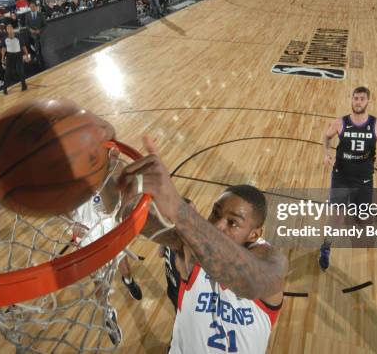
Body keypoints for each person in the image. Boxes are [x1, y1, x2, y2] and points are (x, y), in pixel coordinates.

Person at [116, 138, 287, 353]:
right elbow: (134, 213)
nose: (217, 225)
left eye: (232, 222)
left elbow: (250, 282)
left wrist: (178, 208)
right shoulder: (191, 247)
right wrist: (107, 177)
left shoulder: (272, 262)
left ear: (255, 234)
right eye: (215, 213)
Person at [319, 86, 377, 270]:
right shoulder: (340, 122)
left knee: (362, 217)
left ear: (368, 101)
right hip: (341, 177)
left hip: (364, 179)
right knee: (336, 217)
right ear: (352, 100)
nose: (358, 102)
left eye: (362, 99)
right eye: (355, 98)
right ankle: (326, 248)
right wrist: (326, 153)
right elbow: (326, 137)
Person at [70, 189, 143, 345]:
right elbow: (64, 216)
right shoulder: (67, 191)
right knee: (99, 282)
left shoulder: (99, 175)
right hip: (88, 238)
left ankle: (128, 281)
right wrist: (74, 226)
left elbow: (116, 197)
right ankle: (109, 315)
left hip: (109, 227)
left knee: (125, 269)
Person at [1, 23, 30, 94]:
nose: (10, 30)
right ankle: (5, 89)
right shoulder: (4, 38)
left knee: (20, 71)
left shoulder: (18, 36)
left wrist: (27, 55)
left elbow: (23, 47)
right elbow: (3, 49)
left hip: (18, 55)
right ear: (6, 30)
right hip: (9, 56)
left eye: (11, 28)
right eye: (8, 29)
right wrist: (2, 58)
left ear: (13, 29)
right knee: (7, 73)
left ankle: (24, 85)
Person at [22, 1, 46, 66]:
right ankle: (38, 56)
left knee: (39, 45)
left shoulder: (41, 14)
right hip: (32, 34)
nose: (32, 8)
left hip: (40, 34)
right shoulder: (27, 15)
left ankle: (40, 56)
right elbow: (26, 25)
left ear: (36, 7)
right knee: (35, 44)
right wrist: (30, 29)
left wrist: (40, 30)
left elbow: (45, 25)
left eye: (33, 6)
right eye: (30, 7)